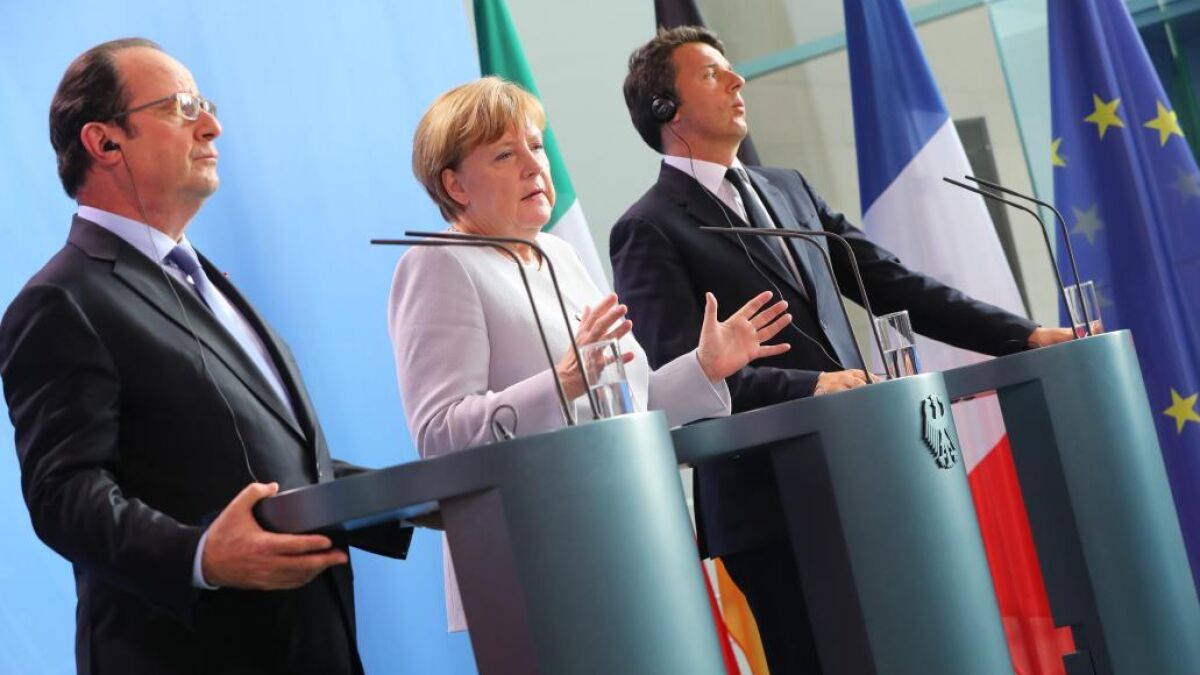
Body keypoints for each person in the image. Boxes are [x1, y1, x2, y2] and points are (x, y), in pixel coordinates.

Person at [612, 25, 1073, 674]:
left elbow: (890, 281)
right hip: (771, 508)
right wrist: (809, 386)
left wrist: (1020, 334)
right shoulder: (647, 228)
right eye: (713, 73)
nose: (738, 80)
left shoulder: (789, 188)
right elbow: (685, 378)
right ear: (667, 109)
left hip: (867, 472)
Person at [0, 38, 409, 674]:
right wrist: (200, 557)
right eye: (181, 107)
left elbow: (274, 460)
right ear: (105, 142)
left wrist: (425, 496)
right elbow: (65, 493)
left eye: (206, 105)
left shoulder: (203, 279)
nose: (212, 126)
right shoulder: (62, 298)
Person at [389, 75, 791, 631]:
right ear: (455, 185)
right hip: (535, 564)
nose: (534, 166)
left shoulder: (559, 254)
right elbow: (440, 435)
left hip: (632, 536)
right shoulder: (438, 264)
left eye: (536, 146)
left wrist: (704, 368)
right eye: (505, 154)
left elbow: (622, 406)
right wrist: (562, 382)